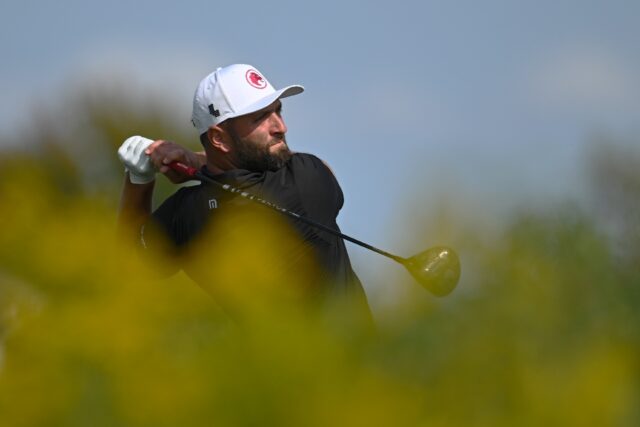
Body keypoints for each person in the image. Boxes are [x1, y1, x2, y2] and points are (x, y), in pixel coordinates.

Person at [117, 64, 371, 323]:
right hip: (359, 361)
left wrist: (139, 176)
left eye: (277, 111)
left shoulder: (187, 213)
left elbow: (130, 262)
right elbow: (322, 168)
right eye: (261, 117)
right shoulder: (307, 179)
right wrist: (195, 162)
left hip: (263, 362)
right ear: (219, 139)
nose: (280, 126)